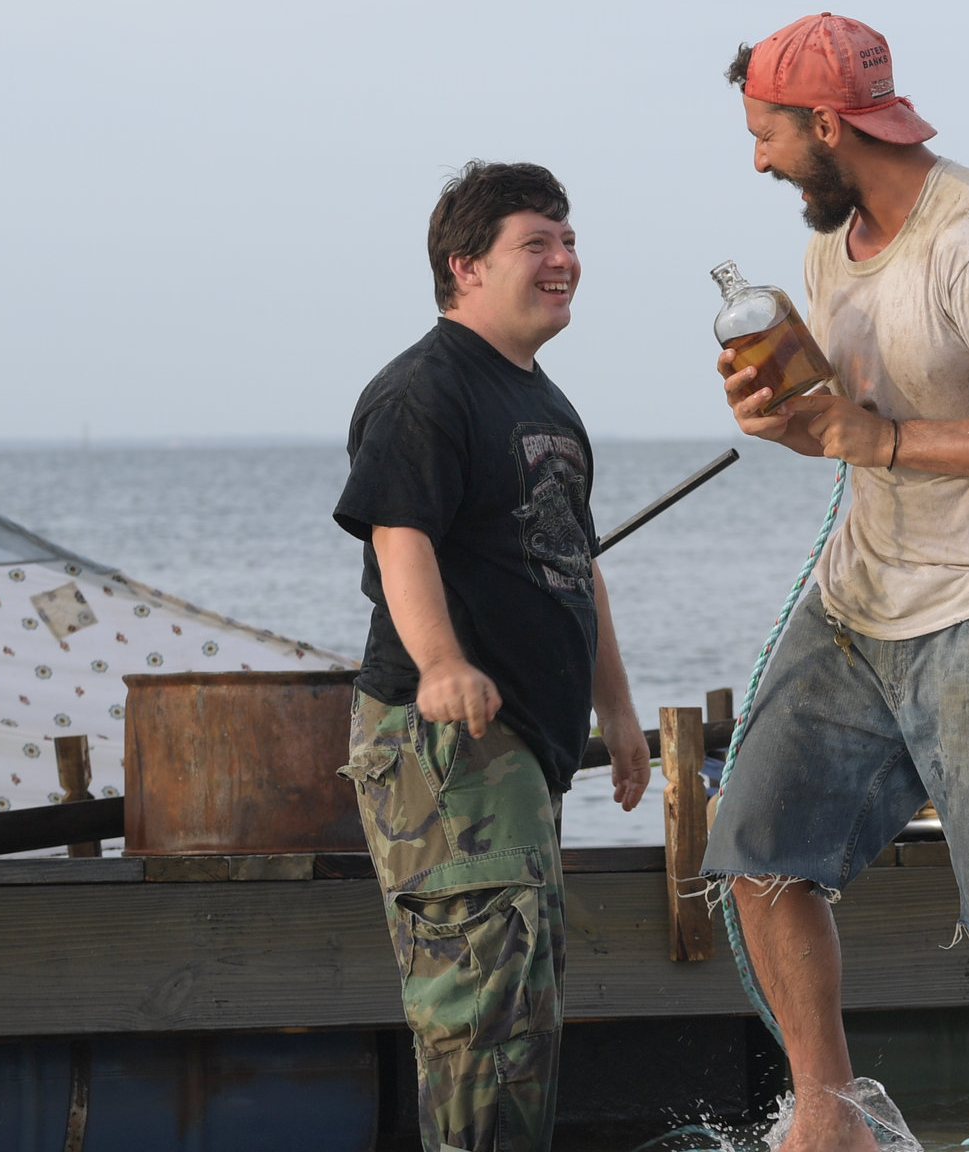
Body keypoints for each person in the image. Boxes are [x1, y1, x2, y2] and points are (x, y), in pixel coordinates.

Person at [700, 15, 969, 1152]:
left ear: (826, 124)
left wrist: (876, 444)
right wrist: (789, 426)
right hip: (856, 594)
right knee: (756, 850)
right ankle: (832, 1119)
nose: (757, 161)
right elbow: (843, 427)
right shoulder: (829, 251)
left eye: (766, 135)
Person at [332, 161, 651, 1152]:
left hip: (521, 753)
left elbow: (575, 567)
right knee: (479, 1018)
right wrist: (439, 664)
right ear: (465, 267)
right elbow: (399, 538)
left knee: (522, 1006)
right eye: (537, 244)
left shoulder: (544, 402)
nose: (564, 261)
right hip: (446, 751)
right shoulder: (425, 392)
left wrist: (620, 713)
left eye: (567, 240)